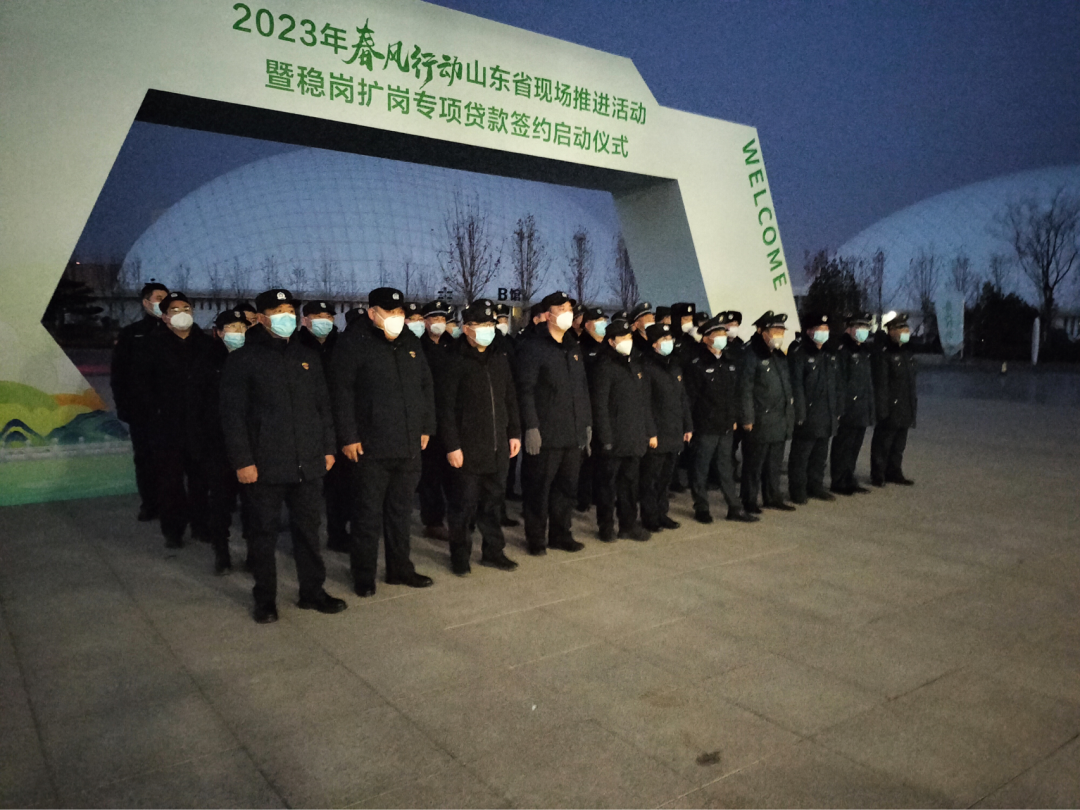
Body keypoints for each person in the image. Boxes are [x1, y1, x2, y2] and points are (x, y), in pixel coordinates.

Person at [220, 288, 347, 624]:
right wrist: (243, 461)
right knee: (263, 534)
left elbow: (323, 407)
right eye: (278, 311)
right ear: (261, 318)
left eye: (290, 310)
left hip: (308, 462)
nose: (286, 316)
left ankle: (312, 592)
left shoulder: (307, 356)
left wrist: (328, 448)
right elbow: (232, 416)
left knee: (308, 532)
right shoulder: (243, 359)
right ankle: (265, 599)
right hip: (264, 465)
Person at [331, 287, 436, 596]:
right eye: (389, 312)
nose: (396, 318)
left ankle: (399, 568)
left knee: (400, 514)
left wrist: (426, 427)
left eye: (400, 312)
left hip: (408, 445)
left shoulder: (410, 342)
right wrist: (348, 436)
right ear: (372, 313)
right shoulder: (354, 343)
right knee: (367, 515)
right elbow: (341, 392)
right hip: (370, 447)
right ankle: (363, 574)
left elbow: (425, 386)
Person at [139, 292, 229, 566]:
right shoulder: (151, 346)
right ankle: (173, 530)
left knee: (201, 481)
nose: (182, 313)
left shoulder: (207, 345)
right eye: (175, 309)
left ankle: (201, 526)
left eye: (186, 308)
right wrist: (153, 417)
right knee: (171, 483)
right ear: (165, 316)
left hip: (202, 426)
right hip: (167, 427)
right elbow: (142, 387)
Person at [438, 302, 521, 575]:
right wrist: (452, 445)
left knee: (493, 505)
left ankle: (493, 552)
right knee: (463, 507)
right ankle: (459, 556)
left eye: (489, 325)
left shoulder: (500, 357)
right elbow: (446, 408)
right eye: (480, 325)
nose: (486, 330)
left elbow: (510, 398)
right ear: (466, 328)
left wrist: (514, 433)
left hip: (497, 448)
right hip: (467, 450)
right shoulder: (454, 360)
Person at [516, 291, 592, 555]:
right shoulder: (534, 347)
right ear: (548, 315)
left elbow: (581, 389)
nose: (568, 313)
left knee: (566, 489)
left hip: (572, 433)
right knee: (538, 490)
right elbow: (525, 390)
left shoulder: (572, 346)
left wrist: (586, 424)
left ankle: (561, 534)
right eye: (562, 308)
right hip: (546, 435)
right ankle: (536, 538)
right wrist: (531, 427)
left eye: (569, 308)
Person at [684, 315, 756, 523]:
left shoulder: (728, 362)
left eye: (723, 333)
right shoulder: (697, 364)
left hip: (725, 426)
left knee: (726, 468)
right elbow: (690, 399)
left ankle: (734, 507)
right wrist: (689, 426)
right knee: (700, 469)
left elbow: (733, 395)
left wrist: (733, 418)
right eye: (717, 334)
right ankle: (701, 507)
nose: (722, 338)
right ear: (706, 338)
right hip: (704, 427)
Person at [590, 322, 656, 541]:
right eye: (622, 337)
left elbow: (644, 402)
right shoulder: (604, 366)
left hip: (633, 437)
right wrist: (605, 438)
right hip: (613, 439)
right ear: (611, 341)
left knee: (629, 486)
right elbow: (600, 405)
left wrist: (648, 431)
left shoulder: (635, 365)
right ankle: (606, 526)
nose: (628, 341)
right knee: (607, 487)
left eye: (629, 336)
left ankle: (628, 525)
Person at [111, 281, 169, 521]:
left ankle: (174, 504)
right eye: (158, 298)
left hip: (172, 412)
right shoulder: (131, 334)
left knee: (172, 459)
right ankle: (150, 503)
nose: (163, 303)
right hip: (142, 412)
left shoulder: (177, 331)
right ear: (146, 302)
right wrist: (124, 407)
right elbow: (118, 375)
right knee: (145, 458)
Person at [297, 300, 352, 553]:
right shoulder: (295, 346)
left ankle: (337, 534)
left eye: (328, 316)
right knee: (305, 491)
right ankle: (304, 541)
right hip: (305, 424)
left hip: (337, 423)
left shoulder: (342, 346)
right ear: (305, 320)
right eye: (318, 316)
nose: (324, 321)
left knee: (339, 488)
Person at [740, 311, 796, 513]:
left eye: (781, 331)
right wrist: (747, 417)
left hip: (779, 419)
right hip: (760, 419)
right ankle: (749, 500)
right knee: (754, 464)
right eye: (775, 331)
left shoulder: (779, 355)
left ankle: (772, 496)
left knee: (774, 463)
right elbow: (745, 389)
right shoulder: (751, 354)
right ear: (761, 332)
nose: (779, 335)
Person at [639, 323, 693, 531]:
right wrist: (651, 432)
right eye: (664, 339)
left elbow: (683, 398)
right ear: (654, 343)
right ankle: (649, 516)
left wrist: (687, 426)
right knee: (651, 479)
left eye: (670, 338)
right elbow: (645, 403)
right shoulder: (647, 367)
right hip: (658, 433)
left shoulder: (674, 366)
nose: (669, 342)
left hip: (674, 430)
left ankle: (662, 513)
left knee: (665, 478)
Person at [787, 313, 843, 503]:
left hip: (826, 413)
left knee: (820, 454)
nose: (824, 333)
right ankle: (797, 490)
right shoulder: (800, 353)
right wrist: (800, 414)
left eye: (826, 329)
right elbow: (796, 386)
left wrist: (837, 410)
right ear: (809, 331)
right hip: (808, 413)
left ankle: (815, 486)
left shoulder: (828, 353)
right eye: (820, 329)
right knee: (801, 456)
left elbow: (836, 385)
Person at [418, 299, 456, 541]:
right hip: (429, 417)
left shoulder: (453, 345)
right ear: (426, 322)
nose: (439, 323)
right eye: (435, 318)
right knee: (430, 475)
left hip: (451, 416)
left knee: (453, 474)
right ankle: (433, 521)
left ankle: (457, 518)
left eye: (443, 318)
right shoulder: (417, 347)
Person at [831, 312, 876, 495]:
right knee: (843, 445)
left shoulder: (864, 351)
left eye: (865, 327)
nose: (863, 331)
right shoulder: (843, 350)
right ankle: (839, 480)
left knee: (855, 446)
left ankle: (849, 478)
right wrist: (840, 408)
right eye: (859, 327)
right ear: (849, 329)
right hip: (848, 407)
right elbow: (840, 381)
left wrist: (870, 406)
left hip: (862, 407)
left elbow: (868, 382)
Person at [871, 312, 917, 486]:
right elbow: (881, 383)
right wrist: (882, 408)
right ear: (891, 331)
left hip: (905, 405)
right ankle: (878, 474)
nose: (906, 332)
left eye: (906, 328)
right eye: (902, 329)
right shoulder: (884, 353)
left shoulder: (907, 353)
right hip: (891, 405)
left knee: (899, 443)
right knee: (883, 442)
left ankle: (894, 471)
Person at [575, 307, 607, 512]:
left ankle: (598, 493)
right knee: (587, 457)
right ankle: (583, 496)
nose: (603, 324)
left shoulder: (607, 346)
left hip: (605, 409)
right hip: (589, 407)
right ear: (587, 325)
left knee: (602, 455)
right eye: (598, 320)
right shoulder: (581, 347)